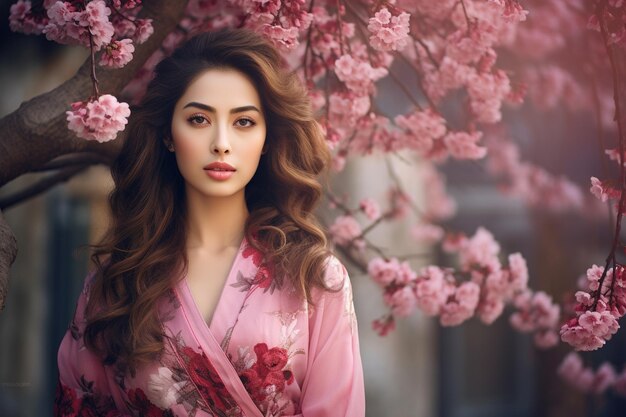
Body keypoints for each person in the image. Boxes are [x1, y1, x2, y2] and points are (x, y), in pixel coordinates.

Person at [54, 28, 365, 417]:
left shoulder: (314, 278)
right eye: (199, 119)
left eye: (244, 122)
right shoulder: (114, 283)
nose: (221, 142)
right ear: (169, 134)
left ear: (267, 138)